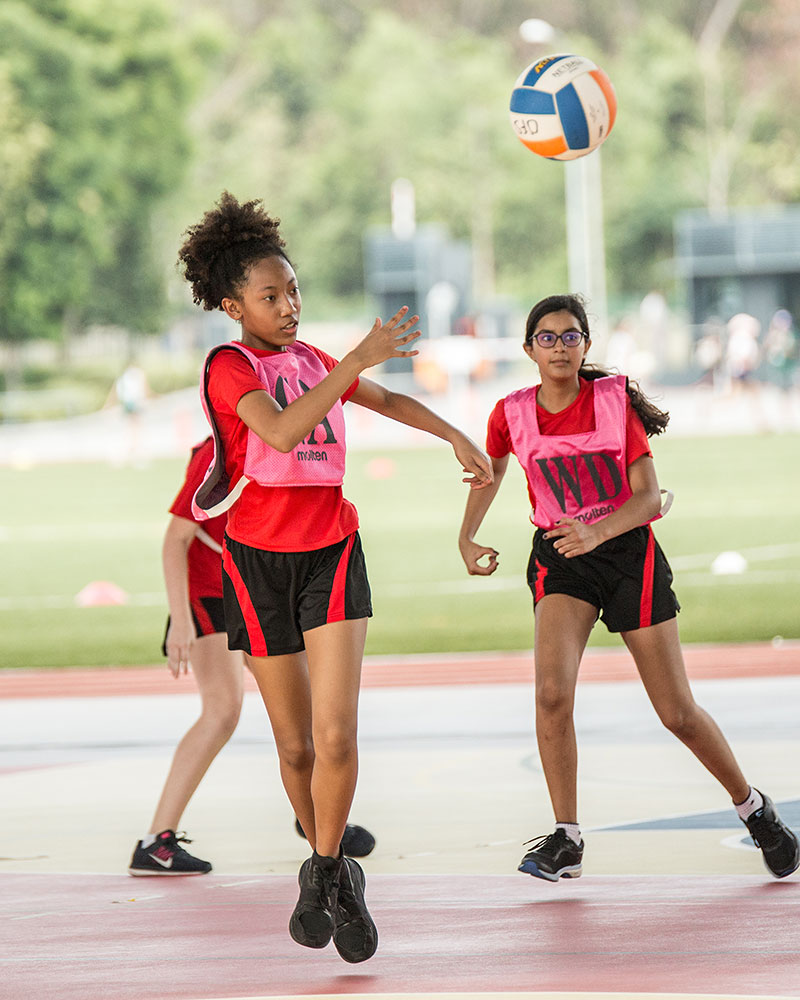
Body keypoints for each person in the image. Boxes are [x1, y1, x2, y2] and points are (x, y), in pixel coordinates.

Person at [177, 192, 492, 963]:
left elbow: (382, 399)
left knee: (336, 734)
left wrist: (453, 432)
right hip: (255, 561)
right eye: (270, 296)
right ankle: (328, 866)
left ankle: (329, 874)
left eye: (293, 292)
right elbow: (282, 429)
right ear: (231, 305)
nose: (289, 306)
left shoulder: (317, 360)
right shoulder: (229, 366)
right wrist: (353, 359)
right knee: (293, 749)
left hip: (332, 548)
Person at [458, 292, 799, 884]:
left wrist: (596, 531)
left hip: (627, 553)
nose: (560, 346)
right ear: (528, 349)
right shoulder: (509, 412)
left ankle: (754, 808)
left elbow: (647, 497)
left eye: (571, 336)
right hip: (562, 558)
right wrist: (467, 536)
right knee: (550, 695)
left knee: (676, 713)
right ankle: (567, 838)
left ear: (586, 344)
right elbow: (489, 473)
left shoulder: (615, 404)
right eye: (547, 336)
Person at [128, 437, 376, 878]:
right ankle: (156, 840)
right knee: (222, 710)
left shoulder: (285, 435)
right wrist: (181, 620)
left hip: (254, 590)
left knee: (307, 713)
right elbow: (175, 538)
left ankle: (318, 819)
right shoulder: (220, 449)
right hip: (212, 593)